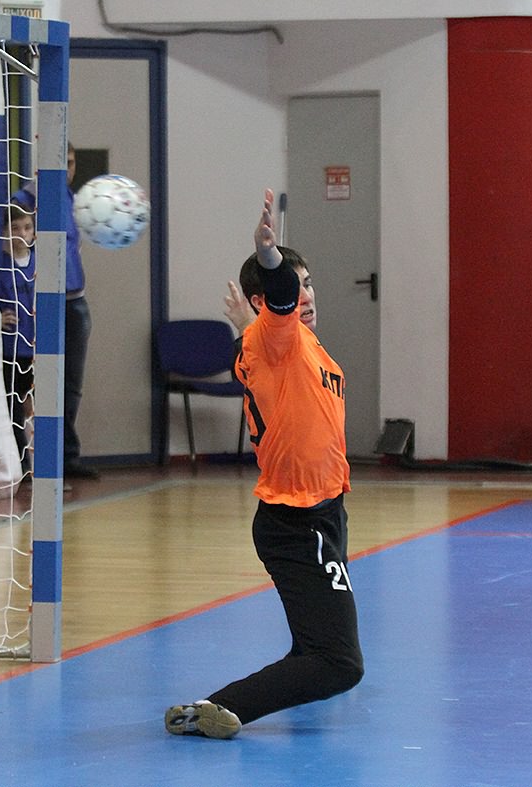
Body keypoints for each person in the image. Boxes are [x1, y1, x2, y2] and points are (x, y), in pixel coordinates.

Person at [165, 189, 363, 739]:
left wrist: (246, 326)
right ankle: (219, 708)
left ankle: (220, 705)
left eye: (310, 283)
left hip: (327, 510)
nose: (307, 295)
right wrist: (269, 256)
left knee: (315, 645)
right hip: (296, 520)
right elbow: (278, 304)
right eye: (298, 288)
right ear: (268, 301)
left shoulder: (300, 346)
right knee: (339, 663)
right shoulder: (279, 338)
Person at [62, 143, 99, 480]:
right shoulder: (27, 201)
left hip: (75, 301)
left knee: (72, 383)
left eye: (71, 163)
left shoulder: (77, 203)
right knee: (35, 381)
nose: (67, 169)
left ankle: (67, 457)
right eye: (62, 161)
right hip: (42, 303)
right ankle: (33, 458)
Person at [0, 195, 36, 475]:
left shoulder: (43, 264)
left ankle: (51, 467)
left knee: (38, 409)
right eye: (14, 228)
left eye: (27, 227)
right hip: (10, 350)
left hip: (39, 351)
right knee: (13, 408)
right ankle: (22, 466)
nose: (21, 233)